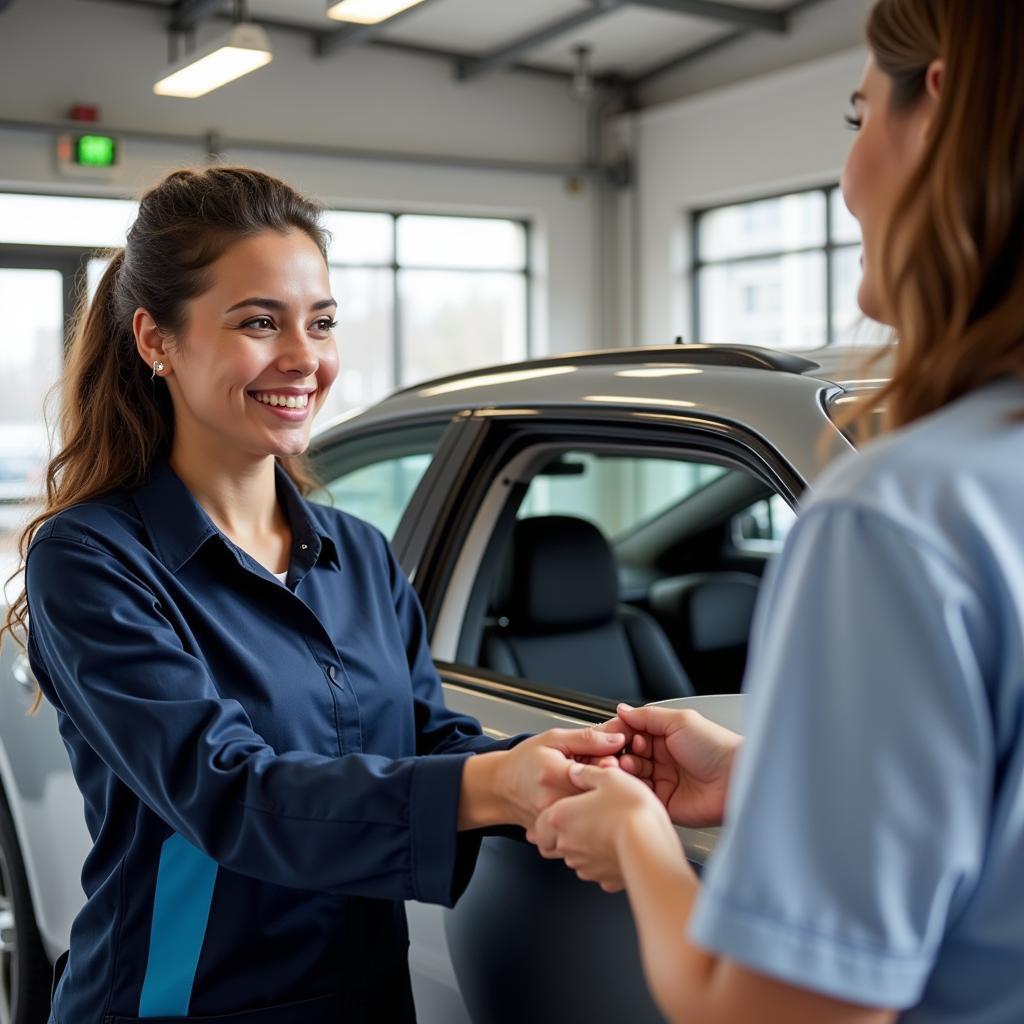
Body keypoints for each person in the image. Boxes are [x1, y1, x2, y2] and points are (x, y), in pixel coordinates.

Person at [0, 166, 626, 1023]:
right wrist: (501, 785)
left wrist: (586, 764)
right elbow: (227, 792)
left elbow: (428, 735)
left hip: (362, 997)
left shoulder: (358, 554)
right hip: (182, 1002)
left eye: (321, 322)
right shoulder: (94, 560)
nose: (304, 358)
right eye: (259, 322)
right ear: (156, 340)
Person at [530, 0, 1024, 1021]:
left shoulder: (898, 516)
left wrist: (636, 837)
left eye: (855, 120)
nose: (848, 182)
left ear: (932, 113)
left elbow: (773, 1011)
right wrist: (766, 778)